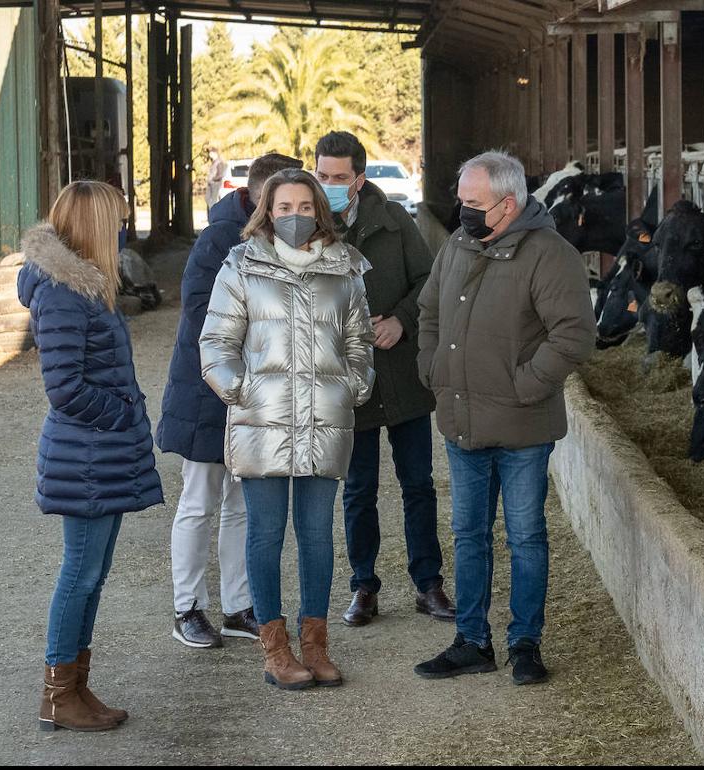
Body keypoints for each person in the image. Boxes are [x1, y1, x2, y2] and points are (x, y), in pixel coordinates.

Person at [413, 151, 595, 686]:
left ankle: (524, 643)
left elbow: (574, 335)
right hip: (462, 419)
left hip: (522, 429)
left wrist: (525, 386)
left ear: (508, 204)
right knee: (469, 533)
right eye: (462, 201)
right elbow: (428, 311)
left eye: (474, 203)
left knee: (526, 535)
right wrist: (433, 368)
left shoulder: (549, 254)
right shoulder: (457, 246)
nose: (463, 211)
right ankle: (472, 640)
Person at [199, 168, 374, 690]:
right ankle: (276, 652)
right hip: (263, 421)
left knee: (318, 534)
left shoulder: (346, 269)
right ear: (266, 212)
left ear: (319, 210)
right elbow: (216, 344)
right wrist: (243, 391)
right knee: (266, 533)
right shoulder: (241, 265)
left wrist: (353, 387)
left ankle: (316, 645)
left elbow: (360, 342)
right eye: (283, 208)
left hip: (325, 420)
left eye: (303, 207)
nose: (293, 217)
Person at [18, 181, 164, 731]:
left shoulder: (88, 287)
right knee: (80, 573)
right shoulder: (62, 292)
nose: (124, 227)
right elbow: (65, 388)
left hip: (98, 456)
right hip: (85, 457)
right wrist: (123, 413)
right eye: (118, 220)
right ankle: (58, 694)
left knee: (92, 573)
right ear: (95, 225)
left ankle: (76, 687)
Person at [157, 152, 303, 649]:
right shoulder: (219, 237)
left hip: (255, 394)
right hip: (207, 393)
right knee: (199, 500)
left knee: (241, 503)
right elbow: (200, 310)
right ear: (260, 198)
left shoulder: (280, 237)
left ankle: (237, 606)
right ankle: (187, 608)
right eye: (282, 203)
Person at [313, 131, 453, 627]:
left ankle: (428, 583)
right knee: (359, 488)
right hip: (349, 383)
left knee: (417, 482)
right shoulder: (305, 230)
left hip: (403, 376)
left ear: (360, 178)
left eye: (339, 177)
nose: (329, 185)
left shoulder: (393, 221)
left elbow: (429, 281)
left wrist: (400, 320)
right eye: (322, 176)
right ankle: (364, 586)